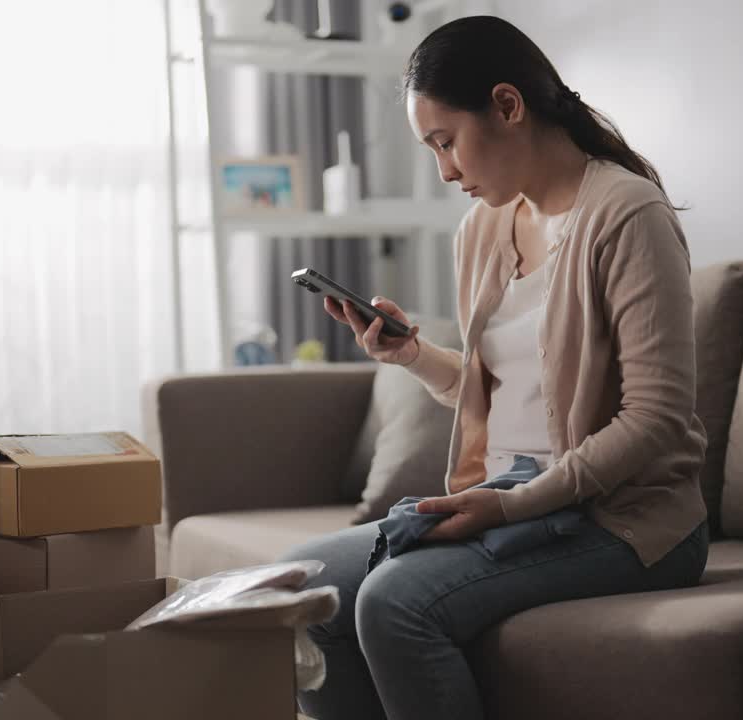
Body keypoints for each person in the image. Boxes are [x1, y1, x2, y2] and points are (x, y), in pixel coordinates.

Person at [279, 15, 709, 720]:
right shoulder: (482, 228)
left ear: (508, 106)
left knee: (394, 603)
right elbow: (502, 394)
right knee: (303, 586)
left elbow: (657, 421)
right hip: (511, 499)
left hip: (625, 521)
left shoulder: (628, 214)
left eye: (446, 142)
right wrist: (412, 355)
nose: (445, 170)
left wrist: (511, 504)